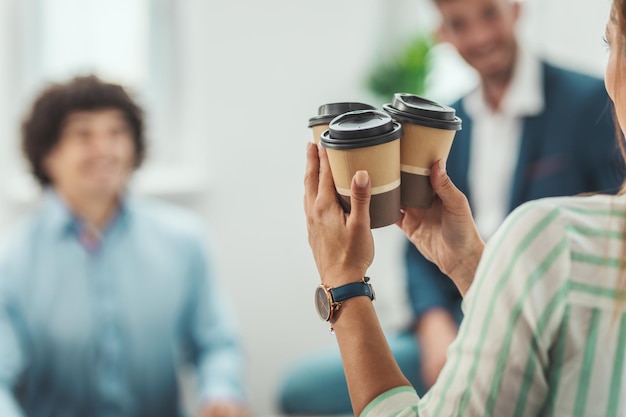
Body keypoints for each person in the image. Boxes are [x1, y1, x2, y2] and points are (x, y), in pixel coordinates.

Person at [278, 0, 624, 413]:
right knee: (301, 390)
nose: (478, 37)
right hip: (463, 302)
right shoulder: (444, 120)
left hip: (540, 312)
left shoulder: (585, 106)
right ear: (441, 32)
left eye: (489, 14)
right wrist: (437, 317)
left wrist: (342, 280)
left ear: (516, 9)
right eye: (459, 23)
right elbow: (418, 248)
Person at [0, 75, 249, 417]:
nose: (104, 148)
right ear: (47, 155)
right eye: (83, 134)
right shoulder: (11, 259)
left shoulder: (184, 239)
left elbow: (215, 343)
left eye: (116, 133)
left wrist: (220, 392)